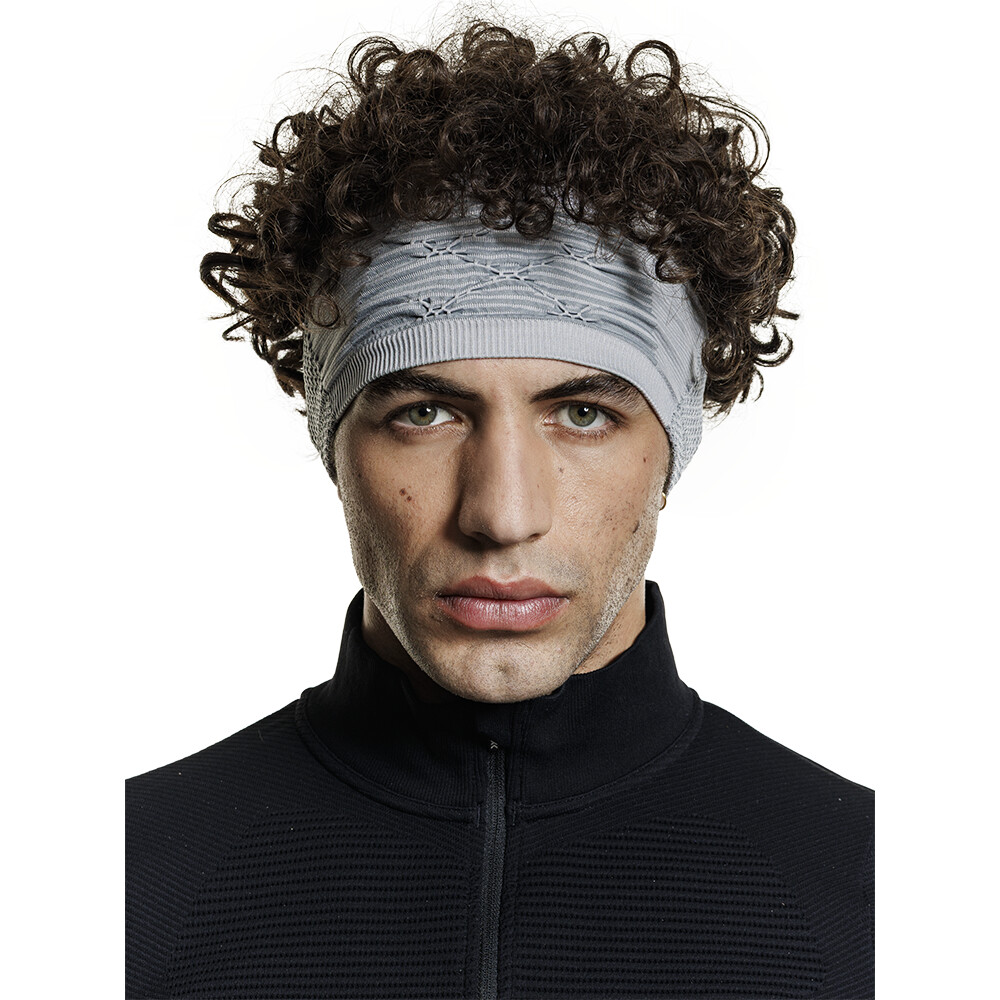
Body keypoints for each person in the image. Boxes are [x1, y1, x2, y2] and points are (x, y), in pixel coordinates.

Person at [126, 15, 874, 999]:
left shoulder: (878, 898)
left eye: (582, 414)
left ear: (675, 442)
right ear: (331, 437)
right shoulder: (121, 886)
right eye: (424, 412)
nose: (502, 513)